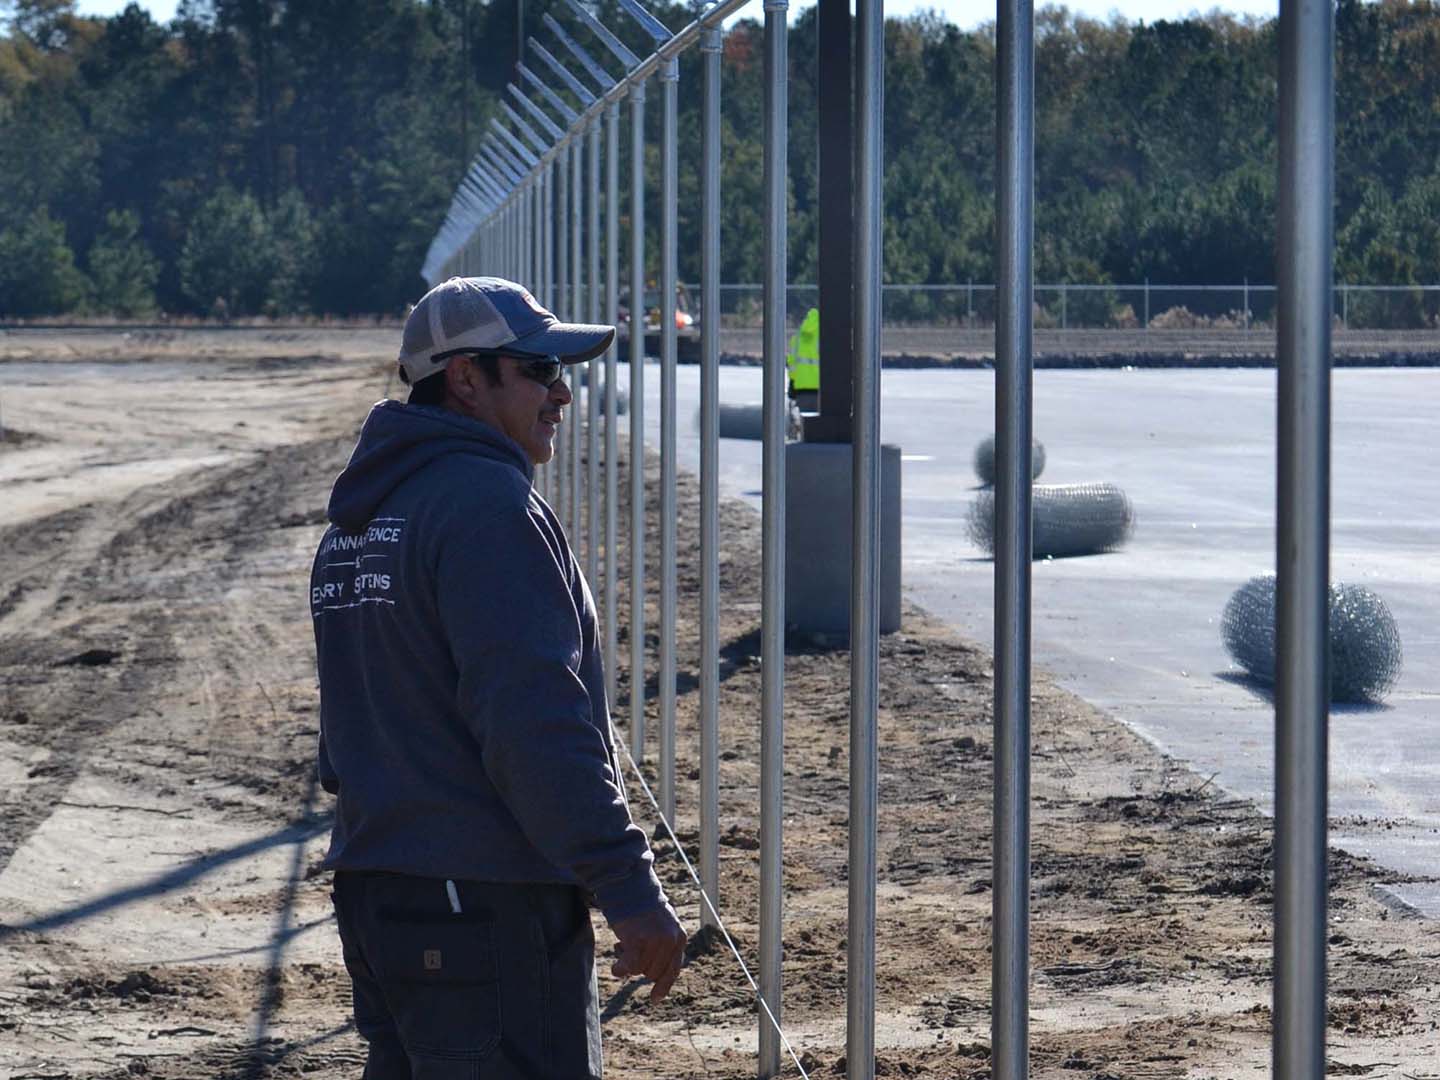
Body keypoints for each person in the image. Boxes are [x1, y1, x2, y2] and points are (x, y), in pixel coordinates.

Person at [310, 276, 688, 1079]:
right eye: (538, 371)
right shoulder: (487, 508)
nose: (562, 394)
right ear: (465, 378)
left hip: (383, 894)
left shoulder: (363, 517)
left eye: (563, 373)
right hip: (480, 907)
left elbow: (342, 742)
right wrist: (628, 887)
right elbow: (533, 726)